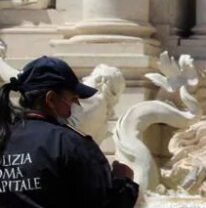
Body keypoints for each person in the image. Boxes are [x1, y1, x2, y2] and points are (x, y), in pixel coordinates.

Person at [0, 56, 138, 207]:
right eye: (72, 99)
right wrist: (125, 183)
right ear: (51, 99)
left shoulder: (3, 138)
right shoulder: (72, 145)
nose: (75, 107)